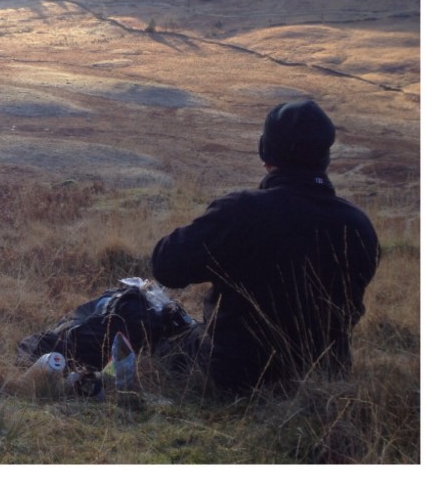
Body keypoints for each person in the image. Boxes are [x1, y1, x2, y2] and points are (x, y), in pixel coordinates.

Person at [150, 99, 380, 393]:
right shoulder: (359, 225)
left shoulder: (242, 211)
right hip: (324, 372)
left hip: (235, 373)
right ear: (325, 157)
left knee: (155, 333)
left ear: (266, 153)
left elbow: (166, 266)